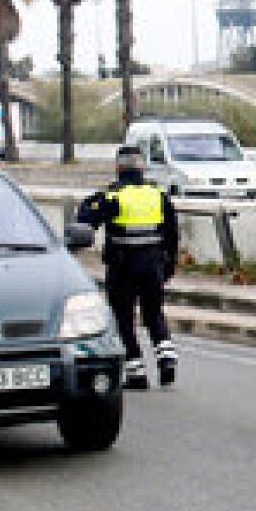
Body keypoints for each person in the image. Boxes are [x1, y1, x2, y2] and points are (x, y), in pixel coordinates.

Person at [78, 145, 180, 389]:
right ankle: (166, 357)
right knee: (153, 312)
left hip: (122, 267)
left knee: (123, 318)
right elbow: (172, 234)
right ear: (142, 167)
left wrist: (91, 203)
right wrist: (169, 265)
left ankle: (136, 372)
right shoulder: (158, 195)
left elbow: (85, 221)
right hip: (153, 264)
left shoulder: (112, 196)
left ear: (118, 167)